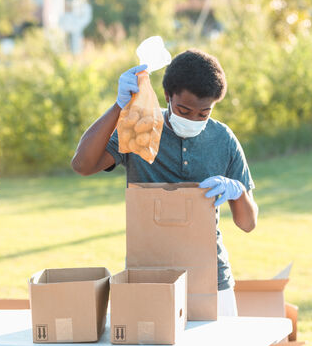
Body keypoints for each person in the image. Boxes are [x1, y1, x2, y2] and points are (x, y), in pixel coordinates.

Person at [72, 49, 258, 315]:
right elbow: (83, 165)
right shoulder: (142, 127)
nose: (193, 119)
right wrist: (119, 107)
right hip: (147, 277)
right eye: (184, 110)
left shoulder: (223, 140)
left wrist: (238, 193)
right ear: (168, 96)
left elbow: (248, 224)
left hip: (212, 280)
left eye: (203, 114)